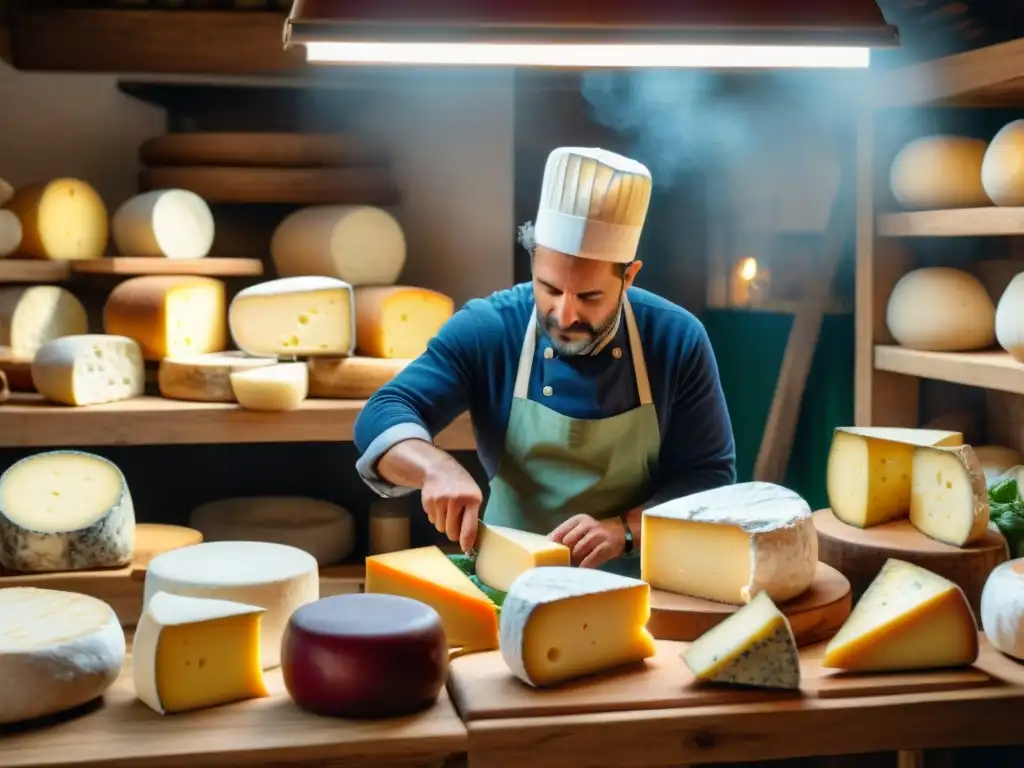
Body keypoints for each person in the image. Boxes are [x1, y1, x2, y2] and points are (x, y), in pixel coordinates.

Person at [353, 146, 736, 577]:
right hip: (510, 580)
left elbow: (709, 477)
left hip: (640, 583)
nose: (565, 315)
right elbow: (383, 412)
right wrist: (435, 468)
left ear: (629, 277)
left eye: (589, 296)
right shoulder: (490, 328)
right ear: (533, 260)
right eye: (550, 288)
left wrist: (624, 531)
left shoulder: (674, 338)